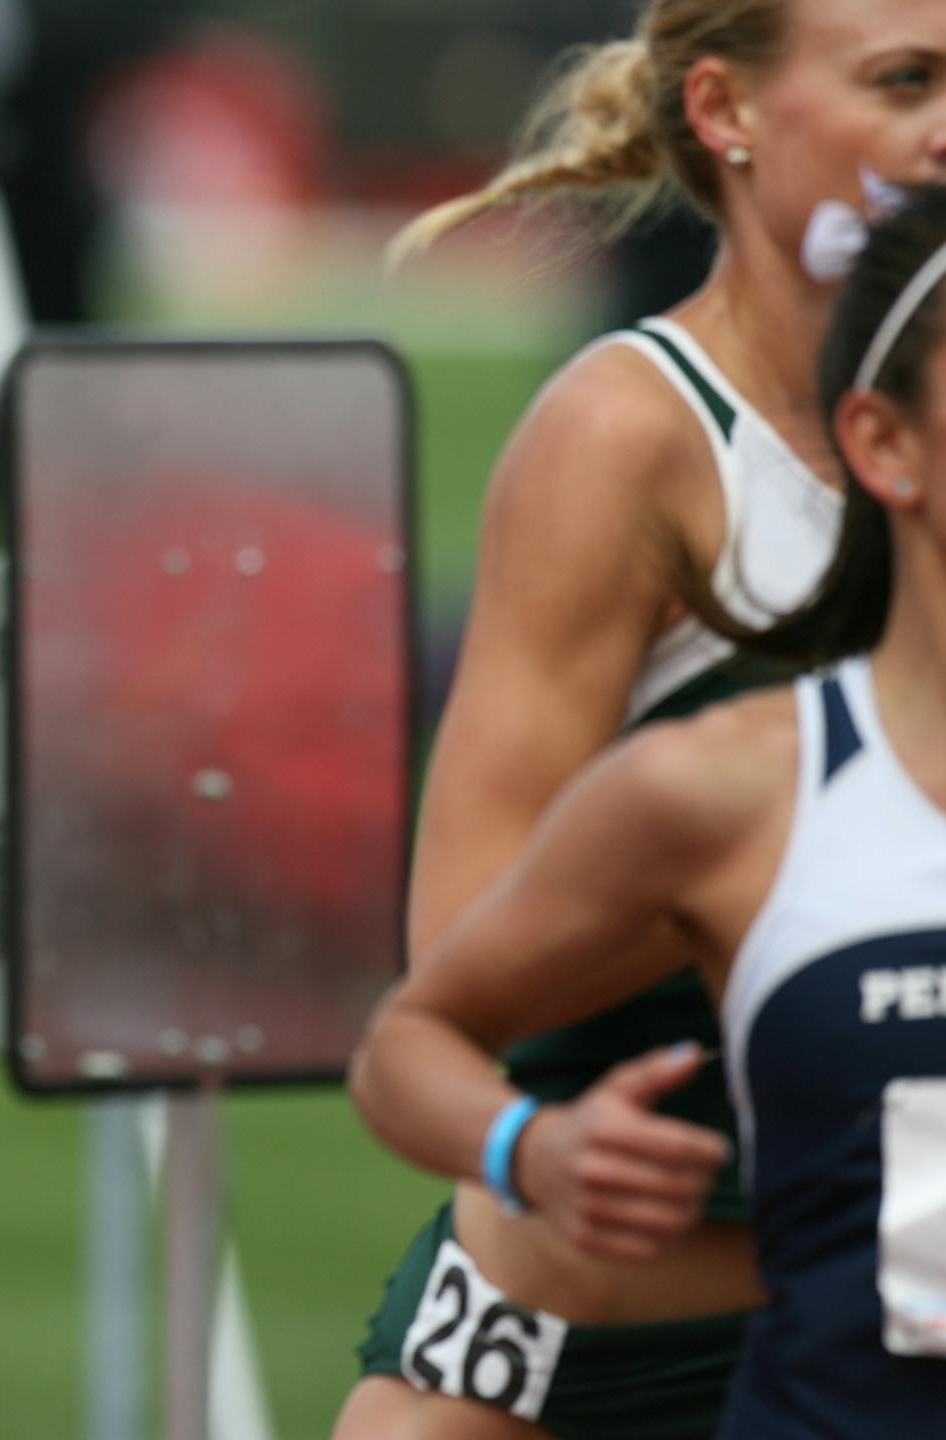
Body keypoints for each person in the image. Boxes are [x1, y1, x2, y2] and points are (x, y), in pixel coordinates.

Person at [333, 3, 946, 1438]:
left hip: (874, 1340)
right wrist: (771, 902)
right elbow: (461, 946)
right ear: (727, 111)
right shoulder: (636, 435)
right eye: (905, 81)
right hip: (580, 1354)